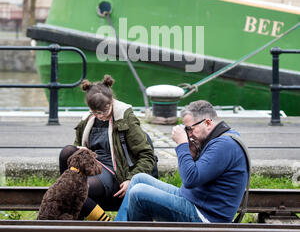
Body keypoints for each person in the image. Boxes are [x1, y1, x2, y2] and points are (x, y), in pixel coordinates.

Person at [114, 100, 249, 223]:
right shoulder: (217, 139)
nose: (188, 134)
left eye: (190, 129)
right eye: (186, 130)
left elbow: (191, 179)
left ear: (207, 123)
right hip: (193, 200)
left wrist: (182, 145)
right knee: (138, 179)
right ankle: (118, 231)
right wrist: (193, 153)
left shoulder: (224, 145)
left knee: (139, 193)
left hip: (206, 215)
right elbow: (197, 175)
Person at [59, 74, 156, 221]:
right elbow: (76, 146)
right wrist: (81, 150)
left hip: (115, 172)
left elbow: (147, 155)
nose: (100, 116)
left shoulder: (125, 118)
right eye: (95, 112)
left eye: (104, 111)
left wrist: (131, 179)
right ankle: (67, 197)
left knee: (77, 190)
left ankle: (104, 222)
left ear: (111, 102)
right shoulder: (87, 119)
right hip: (92, 164)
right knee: (68, 151)